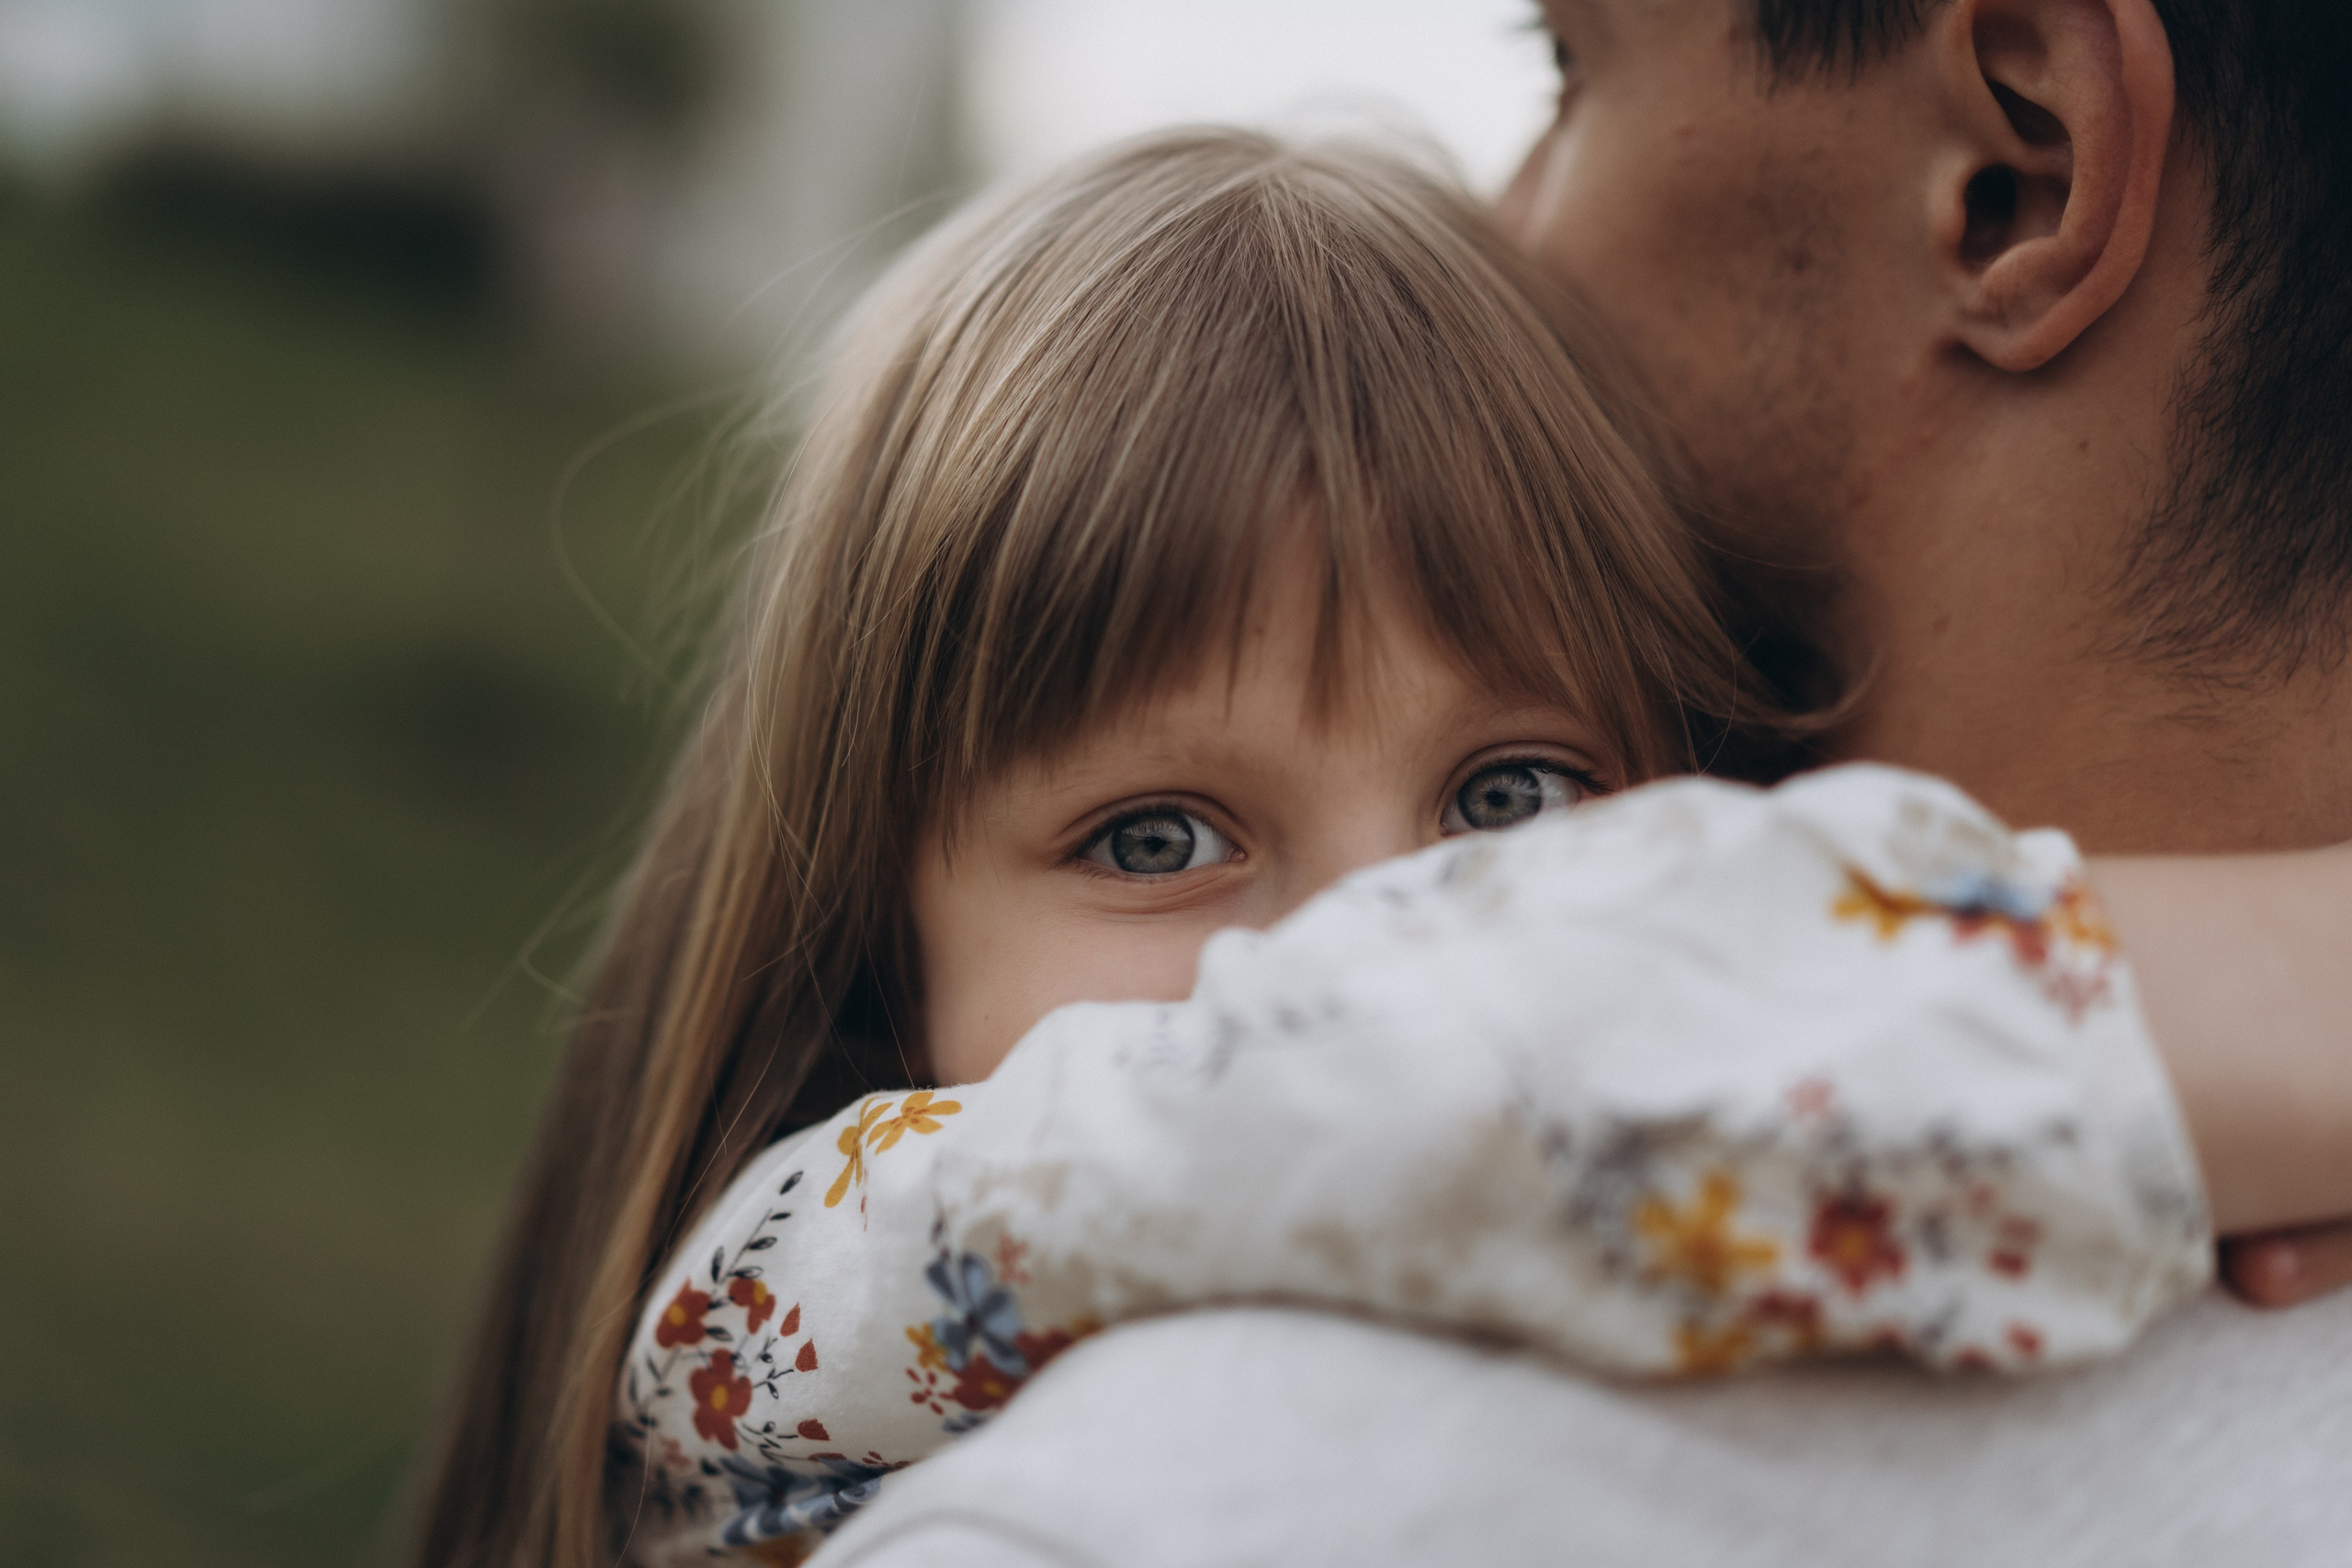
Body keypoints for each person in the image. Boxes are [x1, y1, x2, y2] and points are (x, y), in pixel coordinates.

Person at [406, 124, 2345, 1565]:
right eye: (1156, 833)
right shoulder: (804, 1290)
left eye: (1510, 793)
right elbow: (1436, 1065)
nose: (1383, 919)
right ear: (864, 970)